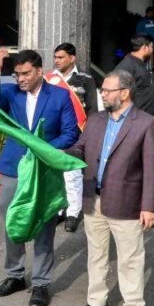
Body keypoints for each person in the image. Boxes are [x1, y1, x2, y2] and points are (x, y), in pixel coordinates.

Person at [65, 70, 154, 306]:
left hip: (126, 202)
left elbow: (152, 170)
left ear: (125, 93)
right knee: (96, 255)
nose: (102, 94)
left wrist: (149, 207)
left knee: (130, 259)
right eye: (102, 90)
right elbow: (80, 149)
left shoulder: (146, 123)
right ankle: (97, 303)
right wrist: (56, 153)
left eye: (107, 90)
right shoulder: (95, 120)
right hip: (93, 200)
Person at [0, 44, 79, 306]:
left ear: (40, 71)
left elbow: (70, 133)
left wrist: (44, 149)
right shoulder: (12, 93)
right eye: (17, 74)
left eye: (26, 73)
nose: (21, 79)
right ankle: (14, 275)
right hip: (14, 167)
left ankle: (40, 283)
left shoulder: (60, 96)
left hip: (44, 170)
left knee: (43, 225)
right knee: (11, 220)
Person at [48, 42, 97, 232]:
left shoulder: (85, 80)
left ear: (72, 58)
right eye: (55, 57)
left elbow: (93, 110)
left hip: (77, 134)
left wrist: (90, 135)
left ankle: (73, 213)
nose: (56, 61)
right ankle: (60, 209)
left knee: (72, 175)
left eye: (60, 57)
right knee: (56, 174)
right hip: (55, 134)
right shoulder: (50, 79)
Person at [114, 35, 154, 119]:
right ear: (144, 48)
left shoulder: (141, 64)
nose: (152, 50)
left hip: (147, 118)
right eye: (151, 47)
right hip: (136, 120)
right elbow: (118, 92)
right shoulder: (127, 65)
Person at [134, 6, 154, 73]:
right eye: (150, 13)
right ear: (146, 13)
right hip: (146, 42)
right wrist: (144, 39)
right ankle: (145, 71)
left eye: (152, 13)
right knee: (146, 56)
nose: (151, 14)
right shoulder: (142, 22)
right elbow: (138, 31)